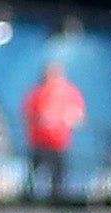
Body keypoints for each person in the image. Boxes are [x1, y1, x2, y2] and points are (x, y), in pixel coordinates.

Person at [22, 61, 83, 201]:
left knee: (58, 176)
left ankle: (56, 199)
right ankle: (29, 197)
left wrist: (70, 118)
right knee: (34, 173)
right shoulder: (38, 93)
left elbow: (78, 115)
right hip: (39, 142)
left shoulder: (70, 92)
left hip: (59, 143)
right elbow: (28, 114)